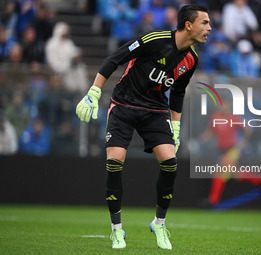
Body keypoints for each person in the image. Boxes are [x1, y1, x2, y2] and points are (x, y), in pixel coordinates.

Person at [76, 4, 211, 250]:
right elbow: (114, 58)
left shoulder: (192, 59)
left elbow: (178, 93)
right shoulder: (154, 39)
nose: (209, 28)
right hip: (124, 104)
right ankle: (117, 230)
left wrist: (176, 128)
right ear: (188, 25)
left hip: (156, 111)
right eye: (205, 23)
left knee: (170, 163)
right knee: (114, 162)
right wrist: (94, 92)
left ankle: (159, 223)